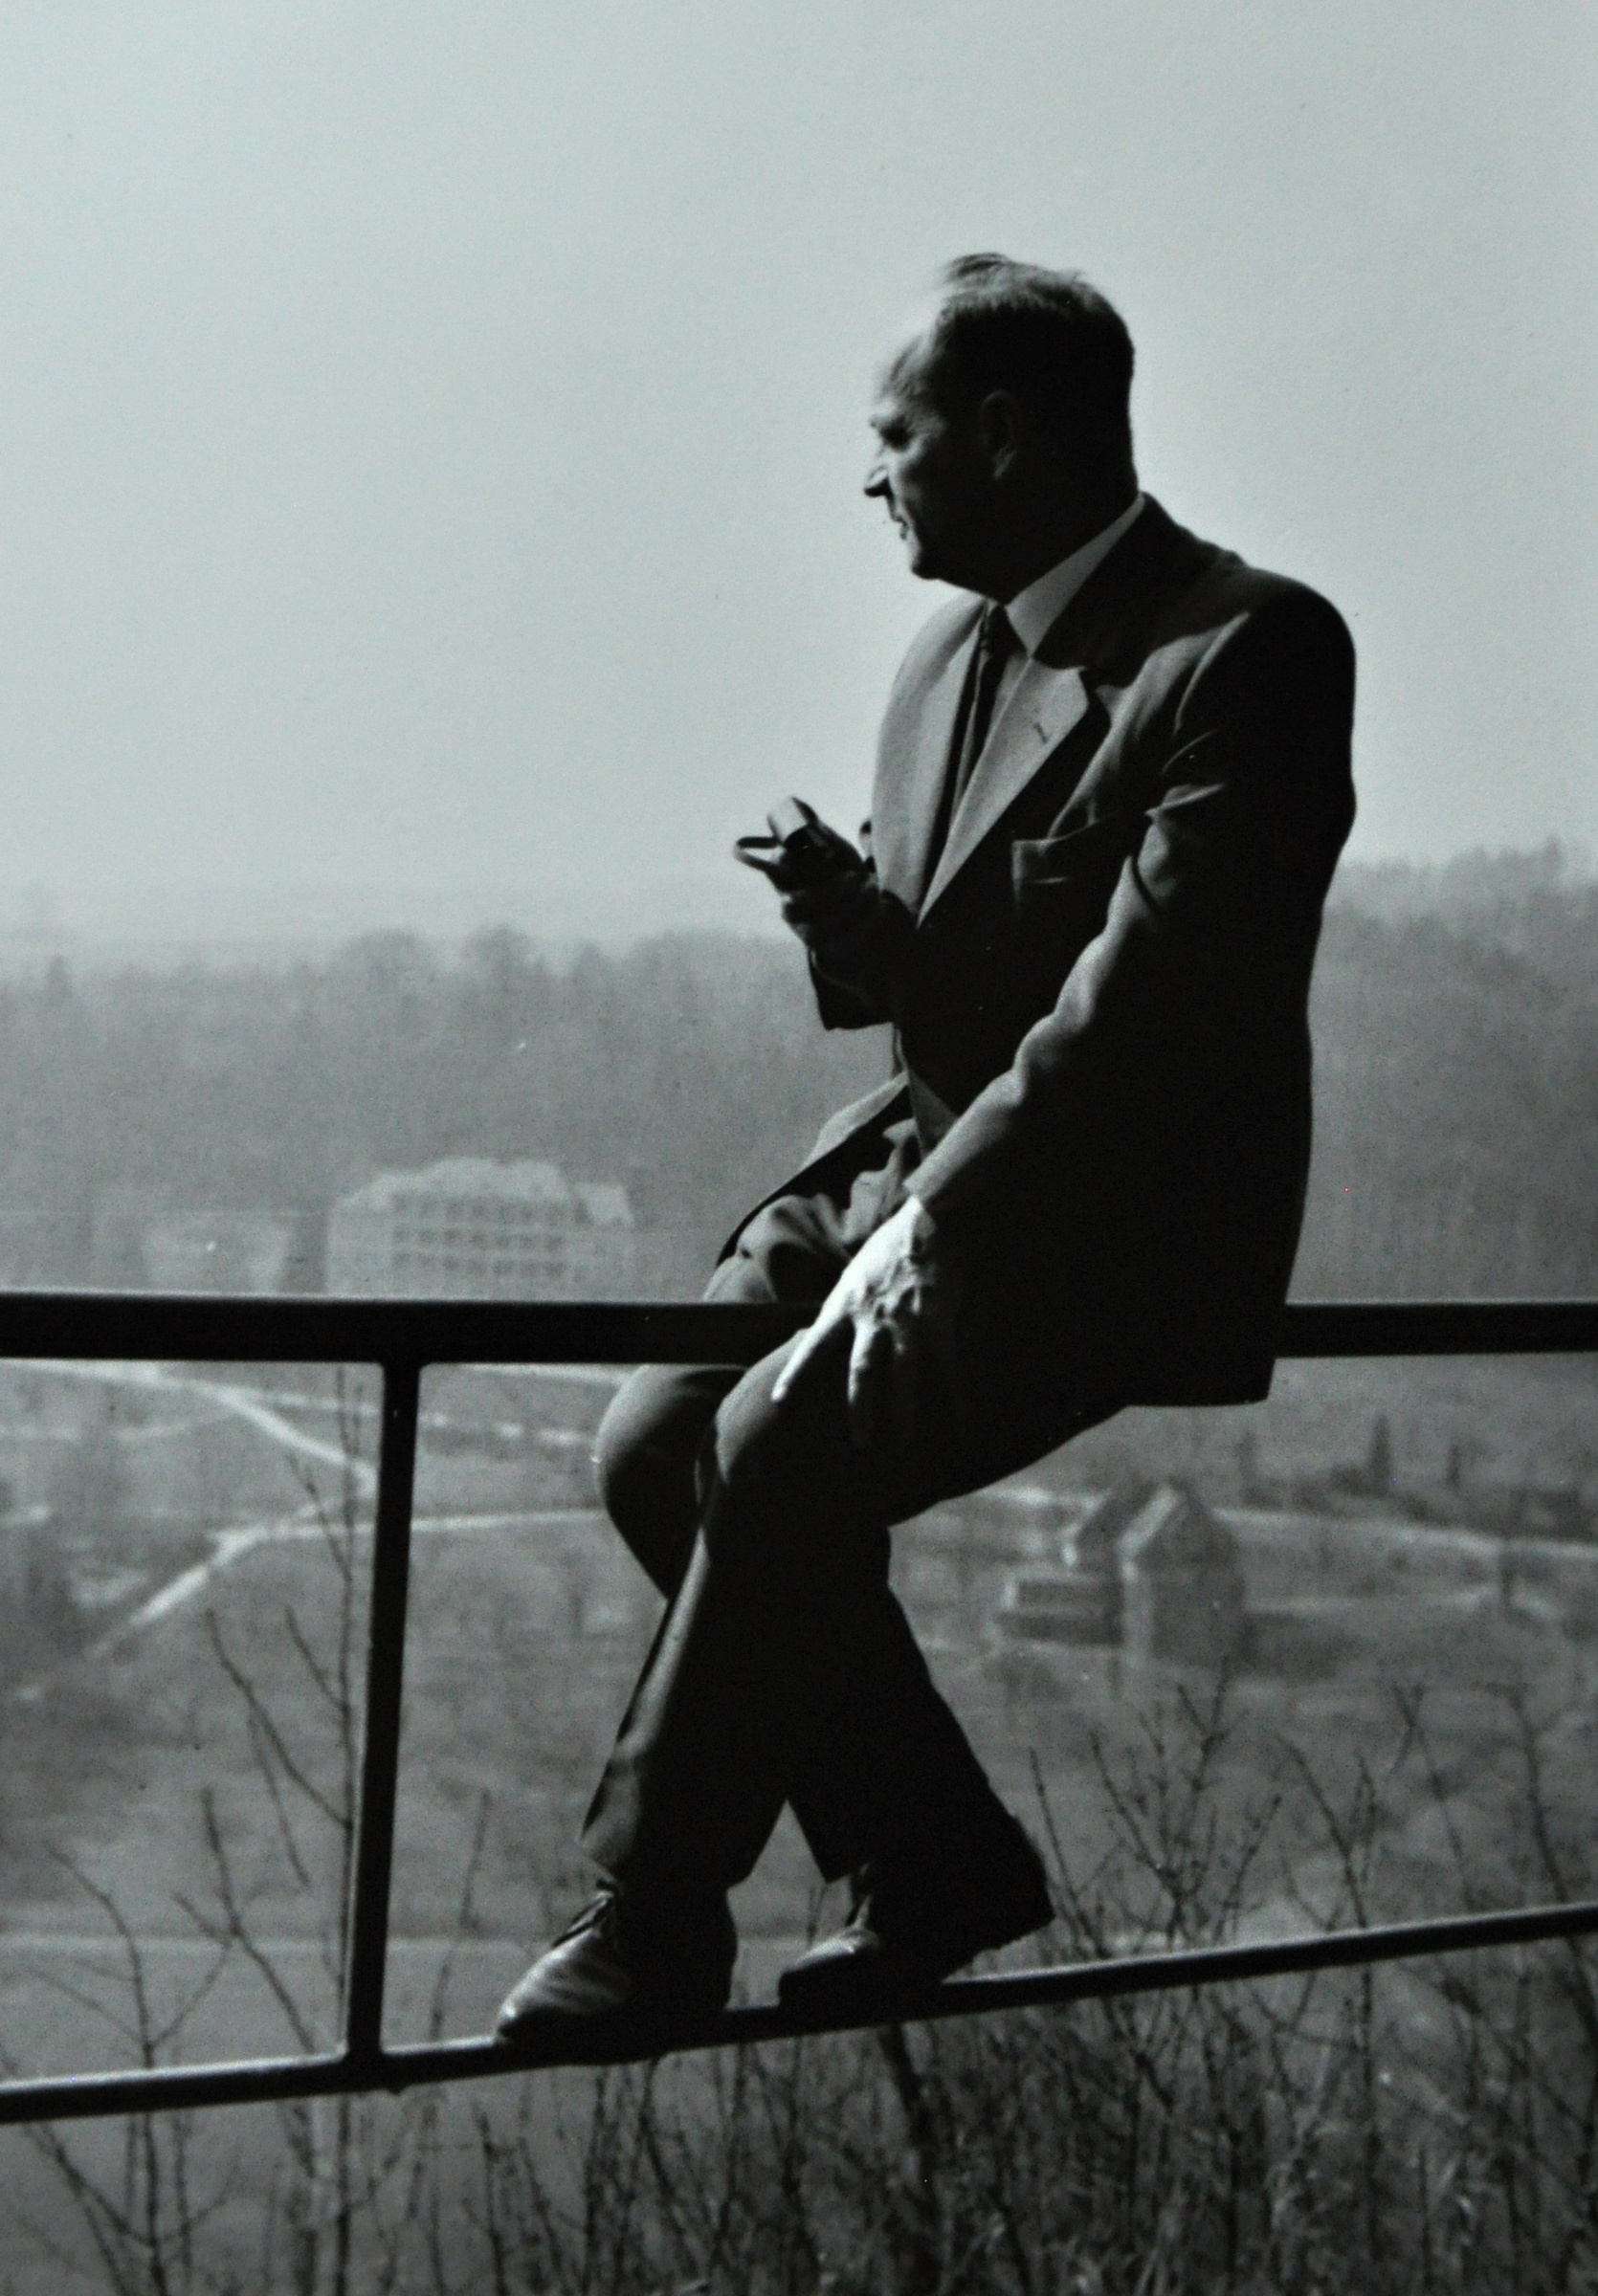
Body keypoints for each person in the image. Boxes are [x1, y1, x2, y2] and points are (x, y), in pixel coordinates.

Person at [495, 254, 1356, 2044]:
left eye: (893, 437)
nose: (870, 477)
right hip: (909, 1162)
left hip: (1096, 1211)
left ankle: (655, 1918)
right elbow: (954, 978)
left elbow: (1148, 1020)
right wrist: (853, 923)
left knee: (777, 1440)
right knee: (653, 1444)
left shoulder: (1250, 648)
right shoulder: (942, 653)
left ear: (1004, 432)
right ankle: (930, 1856)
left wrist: (933, 1227)